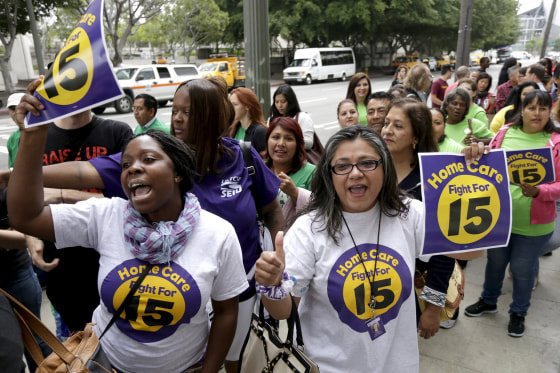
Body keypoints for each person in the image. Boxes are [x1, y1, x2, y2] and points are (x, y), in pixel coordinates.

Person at [10, 77, 284, 373]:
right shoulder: (106, 216)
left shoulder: (218, 230)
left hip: (220, 316)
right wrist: (33, 136)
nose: (133, 168)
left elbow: (225, 311)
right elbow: (27, 214)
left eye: (149, 159)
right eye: (125, 165)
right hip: (106, 364)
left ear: (179, 172)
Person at [254, 125, 483, 372]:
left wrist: (476, 179)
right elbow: (283, 311)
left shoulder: (409, 213)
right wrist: (272, 285)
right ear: (329, 174)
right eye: (342, 166)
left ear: (385, 167)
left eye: (367, 163)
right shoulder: (309, 229)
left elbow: (470, 251)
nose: (355, 173)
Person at [464, 90, 560, 338]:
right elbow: (488, 163)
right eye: (531, 107)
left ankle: (518, 313)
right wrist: (476, 152)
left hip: (535, 224)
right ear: (521, 109)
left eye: (542, 108)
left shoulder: (556, 141)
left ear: (550, 111)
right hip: (499, 217)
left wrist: (540, 191)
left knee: (521, 268)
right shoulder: (505, 132)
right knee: (495, 263)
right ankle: (489, 301)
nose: (536, 113)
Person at [381, 99, 457, 331]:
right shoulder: (371, 169)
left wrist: (432, 309)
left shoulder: (432, 183)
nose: (387, 130)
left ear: (416, 137)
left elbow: (443, 254)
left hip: (410, 288)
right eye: (386, 123)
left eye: (398, 126)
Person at [264, 117, 316, 222]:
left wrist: (295, 194)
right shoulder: (259, 170)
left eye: (288, 139)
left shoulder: (312, 173)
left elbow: (321, 211)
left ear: (298, 144)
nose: (281, 143)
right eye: (276, 137)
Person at [269, 84, 315, 149]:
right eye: (276, 102)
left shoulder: (303, 118)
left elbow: (309, 143)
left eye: (283, 102)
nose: (279, 105)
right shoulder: (272, 119)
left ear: (291, 102)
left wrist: (289, 140)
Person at [227, 87, 268, 156]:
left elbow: (265, 161)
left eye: (235, 104)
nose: (231, 108)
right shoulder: (235, 128)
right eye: (230, 105)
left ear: (247, 106)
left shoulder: (260, 131)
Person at [6, 93, 25, 168]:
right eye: (13, 109)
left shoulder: (45, 131)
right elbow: (12, 168)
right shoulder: (12, 138)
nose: (17, 112)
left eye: (21, 108)